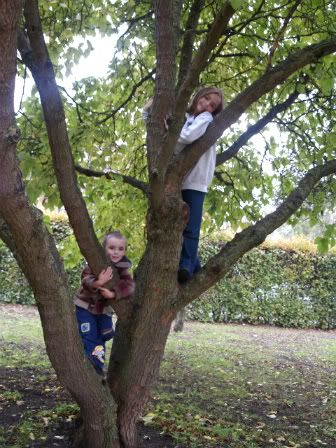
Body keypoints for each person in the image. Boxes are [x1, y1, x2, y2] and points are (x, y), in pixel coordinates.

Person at [143, 86, 224, 283]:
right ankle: (195, 265)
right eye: (206, 99)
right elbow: (156, 128)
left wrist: (171, 133)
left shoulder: (205, 119)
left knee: (191, 226)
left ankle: (187, 265)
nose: (206, 105)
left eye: (212, 105)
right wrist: (148, 112)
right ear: (199, 94)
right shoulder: (185, 117)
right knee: (178, 222)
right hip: (180, 178)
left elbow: (185, 139)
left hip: (196, 179)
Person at [74, 231, 135, 374]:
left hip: (103, 309)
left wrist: (114, 293)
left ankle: (98, 363)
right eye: (112, 248)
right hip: (86, 307)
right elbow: (85, 279)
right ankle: (91, 363)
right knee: (89, 334)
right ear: (104, 248)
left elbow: (130, 286)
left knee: (104, 335)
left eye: (120, 249)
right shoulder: (96, 262)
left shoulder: (123, 268)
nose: (116, 252)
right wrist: (98, 282)